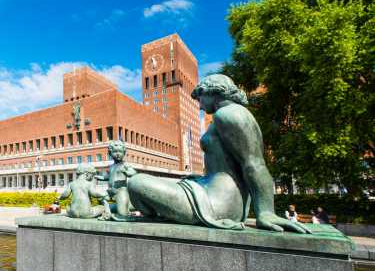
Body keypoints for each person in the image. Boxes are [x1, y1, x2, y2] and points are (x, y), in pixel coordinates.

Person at [127, 74, 309, 233]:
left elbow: (254, 163)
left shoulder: (228, 115)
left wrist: (266, 212)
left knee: (137, 182)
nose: (199, 106)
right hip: (210, 191)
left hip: (217, 203)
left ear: (212, 93)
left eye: (200, 98)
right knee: (144, 186)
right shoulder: (230, 114)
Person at [95, 140, 137, 219]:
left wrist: (128, 173)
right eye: (115, 152)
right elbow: (107, 177)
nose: (118, 154)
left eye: (120, 152)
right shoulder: (111, 166)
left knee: (122, 214)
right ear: (110, 153)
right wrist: (98, 177)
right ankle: (108, 213)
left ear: (124, 153)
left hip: (121, 191)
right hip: (110, 192)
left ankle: (126, 208)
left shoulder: (125, 165)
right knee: (101, 196)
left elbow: (133, 172)